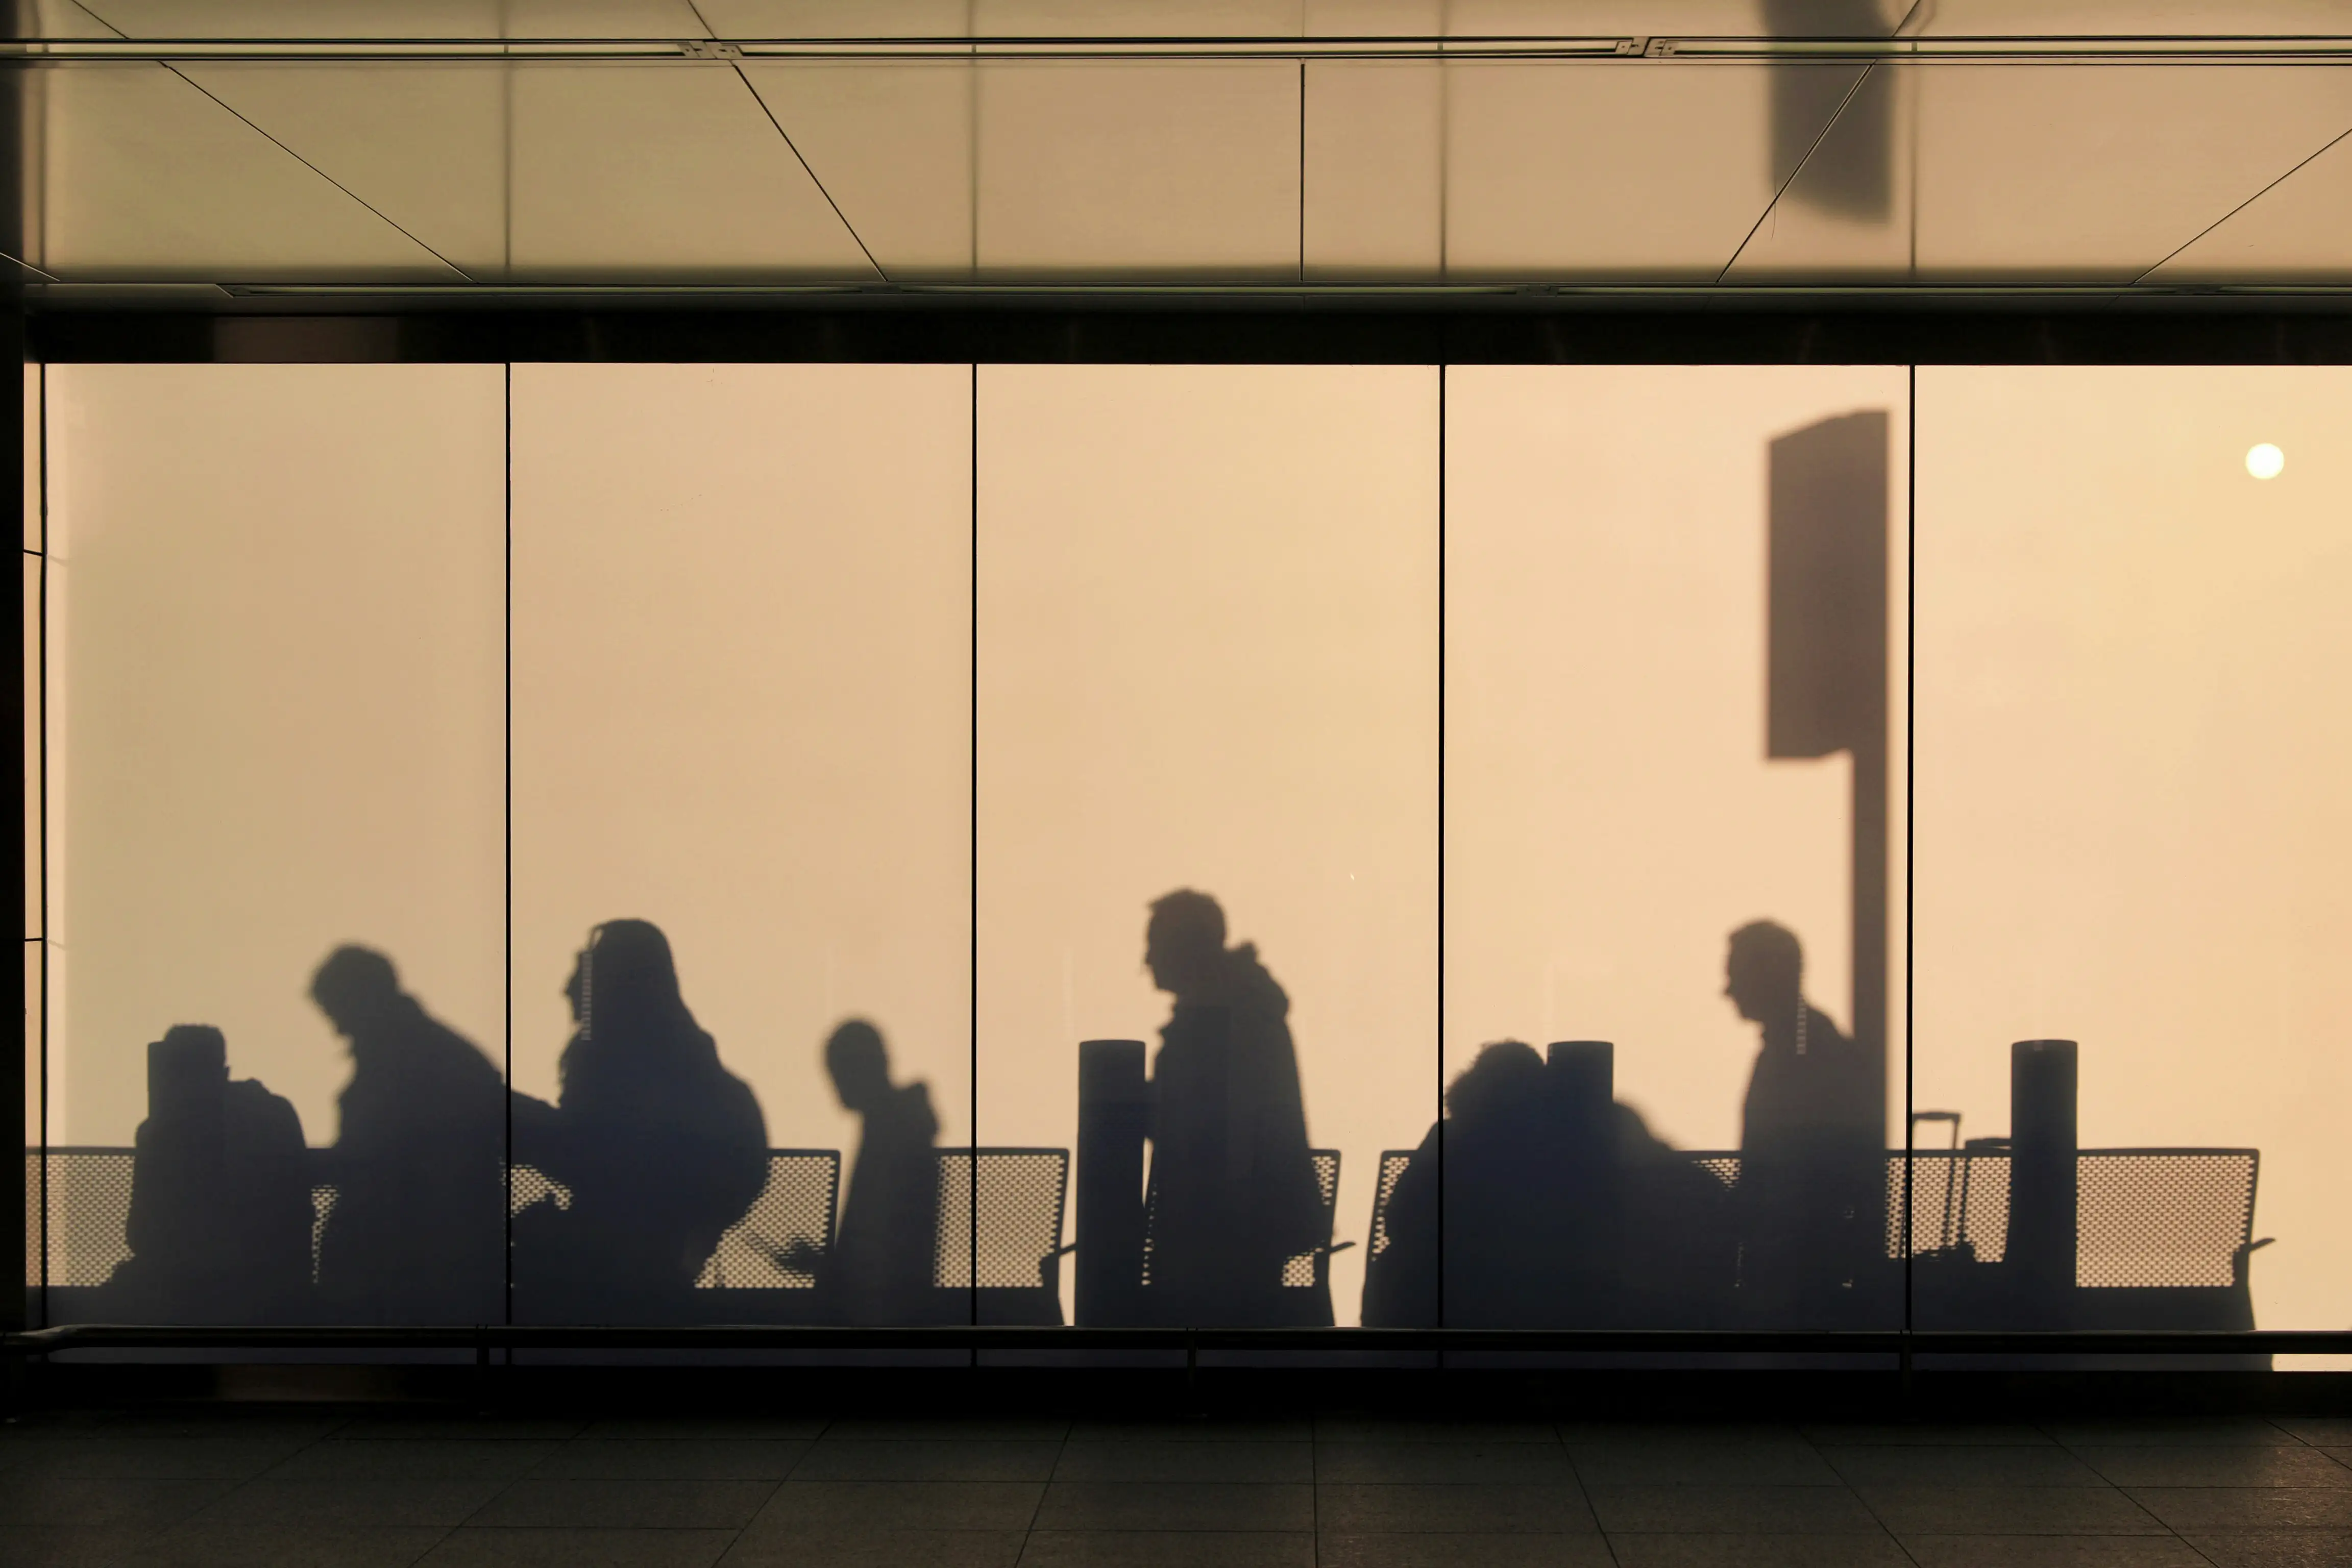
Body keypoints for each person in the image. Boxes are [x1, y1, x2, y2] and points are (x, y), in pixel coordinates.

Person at [511, 920, 769, 1321]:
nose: (567, 989)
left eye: (583, 973)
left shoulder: (607, 1065)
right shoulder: (703, 1074)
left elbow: (584, 1153)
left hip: (610, 1288)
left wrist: (506, 1116)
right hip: (661, 1275)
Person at [1141, 890, 1328, 1327]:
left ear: (1182, 948)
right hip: (1255, 1221)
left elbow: (1198, 1126)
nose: (1147, 959)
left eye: (1154, 944)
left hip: (1218, 1229)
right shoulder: (1246, 1007)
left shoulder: (1213, 1022)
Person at [310, 945, 505, 1323]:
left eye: (339, 1013)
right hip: (418, 1265)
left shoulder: (416, 1061)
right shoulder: (430, 1051)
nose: (337, 1028)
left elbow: (380, 1159)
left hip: (412, 1271)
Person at [1725, 919, 1883, 1325]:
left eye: (1737, 976)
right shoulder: (1808, 1043)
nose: (1728, 991)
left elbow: (1794, 1165)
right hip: (1799, 1260)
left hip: (1794, 1267)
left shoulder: (1801, 1052)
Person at [109, 1025, 313, 1324]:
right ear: (223, 1072)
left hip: (195, 1290)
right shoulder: (273, 1114)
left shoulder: (161, 1132)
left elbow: (142, 1235)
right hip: (277, 1284)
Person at [816, 1019, 942, 1325]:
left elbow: (872, 1249)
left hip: (879, 1312)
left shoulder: (888, 1135)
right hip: (897, 1303)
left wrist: (821, 1266)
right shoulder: (903, 1125)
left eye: (838, 1073)